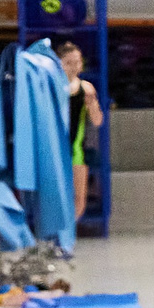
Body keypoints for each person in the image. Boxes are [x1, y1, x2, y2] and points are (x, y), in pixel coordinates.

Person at [56, 38, 102, 232]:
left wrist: (91, 104)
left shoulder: (86, 88)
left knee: (78, 198)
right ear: (59, 64)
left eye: (77, 62)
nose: (74, 66)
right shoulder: (51, 87)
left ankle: (66, 233)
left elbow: (97, 121)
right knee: (55, 196)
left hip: (76, 150)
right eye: (69, 62)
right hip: (55, 149)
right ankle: (55, 232)